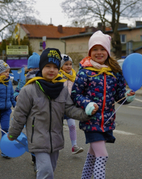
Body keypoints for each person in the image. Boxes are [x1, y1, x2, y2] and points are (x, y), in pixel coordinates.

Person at [8, 48, 98, 179]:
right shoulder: (29, 90)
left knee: (50, 171)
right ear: (41, 67)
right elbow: (19, 115)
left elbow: (70, 109)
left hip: (55, 140)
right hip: (38, 140)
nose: (52, 70)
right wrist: (13, 133)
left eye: (55, 67)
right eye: (48, 66)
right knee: (45, 172)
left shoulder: (61, 89)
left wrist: (87, 114)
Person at [71, 31, 135, 179]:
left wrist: (127, 97)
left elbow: (119, 97)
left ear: (107, 51)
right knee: (102, 155)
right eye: (95, 49)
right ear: (90, 51)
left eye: (102, 49)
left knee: (93, 154)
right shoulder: (84, 72)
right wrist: (87, 104)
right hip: (91, 121)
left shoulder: (115, 72)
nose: (99, 53)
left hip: (107, 121)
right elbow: (75, 94)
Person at [13, 52, 40, 171]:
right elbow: (17, 91)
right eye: (33, 68)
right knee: (32, 138)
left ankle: (41, 159)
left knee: (40, 137)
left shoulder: (43, 78)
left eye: (37, 68)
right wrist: (17, 96)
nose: (35, 70)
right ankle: (35, 160)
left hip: (40, 113)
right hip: (28, 114)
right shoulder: (24, 78)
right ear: (29, 68)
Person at [59, 54, 84, 155]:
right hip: (59, 107)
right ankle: (56, 145)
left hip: (70, 106)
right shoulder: (58, 77)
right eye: (66, 64)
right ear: (61, 66)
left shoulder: (74, 76)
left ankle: (74, 146)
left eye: (70, 64)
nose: (69, 66)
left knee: (72, 126)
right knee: (57, 128)